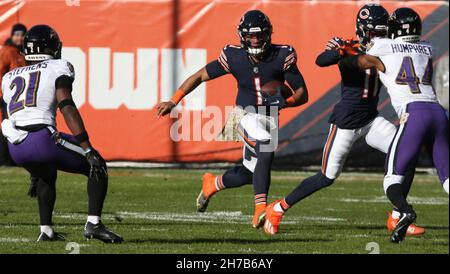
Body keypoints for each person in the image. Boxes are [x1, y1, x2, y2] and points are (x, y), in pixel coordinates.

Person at [263, 4, 423, 236]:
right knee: (327, 177)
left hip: (371, 120)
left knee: (407, 156)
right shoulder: (350, 46)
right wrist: (341, 50)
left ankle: (397, 216)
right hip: (346, 122)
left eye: (381, 32)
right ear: (361, 30)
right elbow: (321, 60)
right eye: (372, 32)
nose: (377, 37)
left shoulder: (390, 49)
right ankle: (278, 208)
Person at [157, 10, 308, 229]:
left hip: (269, 117)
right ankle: (260, 209)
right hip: (244, 114)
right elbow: (200, 75)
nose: (255, 40)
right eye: (251, 36)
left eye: (259, 35)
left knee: (250, 172)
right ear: (242, 36)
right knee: (265, 147)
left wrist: (285, 102)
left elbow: (303, 94)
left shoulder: (282, 56)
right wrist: (173, 100)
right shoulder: (234, 56)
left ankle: (212, 184)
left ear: (268, 34)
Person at [1, 25, 122, 243]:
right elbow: (66, 104)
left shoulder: (10, 77)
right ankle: (93, 225)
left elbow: (13, 112)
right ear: (51, 47)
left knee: (47, 173)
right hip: (41, 138)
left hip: (15, 146)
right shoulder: (58, 66)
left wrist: (32, 166)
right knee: (98, 164)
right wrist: (87, 147)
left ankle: (46, 230)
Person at [346, 7, 448, 243]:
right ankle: (402, 212)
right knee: (448, 177)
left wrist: (346, 54)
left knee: (392, 179)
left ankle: (404, 211)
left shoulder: (382, 46)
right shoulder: (426, 48)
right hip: (438, 112)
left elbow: (360, 61)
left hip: (414, 113)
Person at [0, 23, 27, 166]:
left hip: (20, 98)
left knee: (18, 126)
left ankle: (14, 158)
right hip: (7, 97)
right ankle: (4, 160)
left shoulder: (23, 53)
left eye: (22, 34)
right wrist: (3, 94)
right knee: (7, 126)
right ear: (12, 36)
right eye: (17, 34)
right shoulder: (7, 51)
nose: (20, 37)